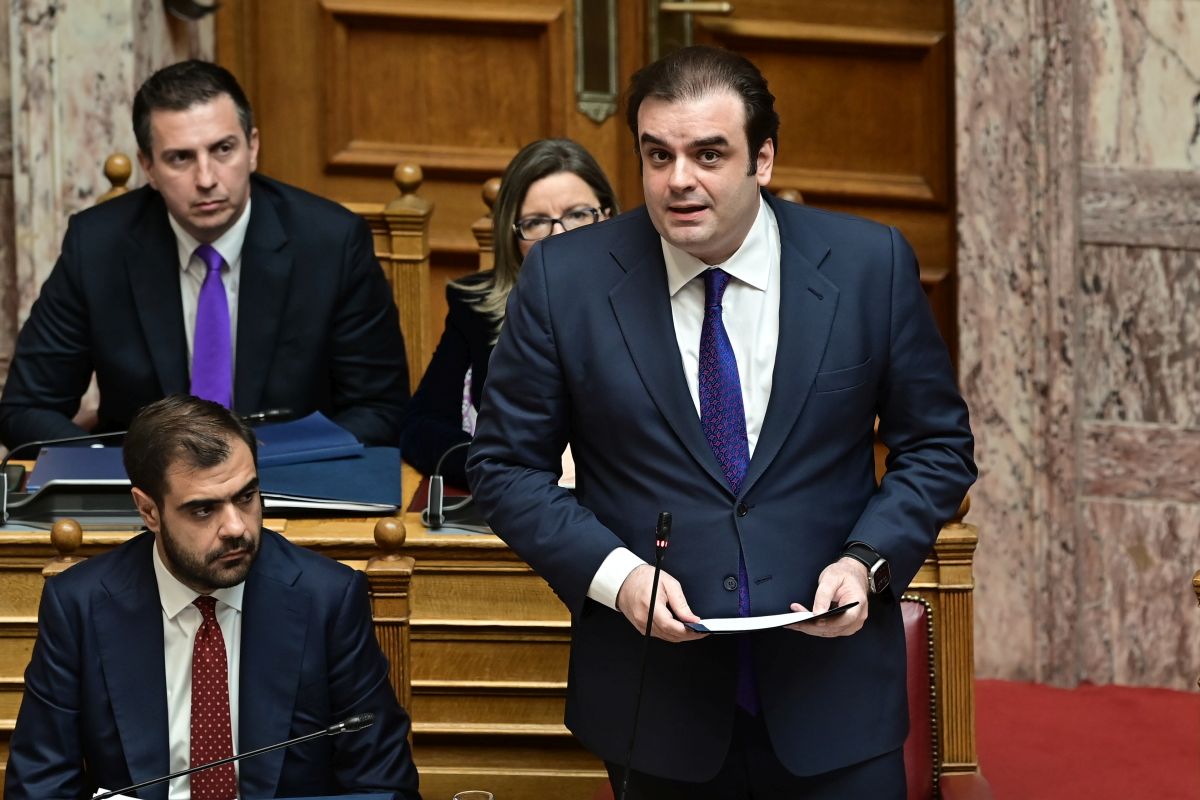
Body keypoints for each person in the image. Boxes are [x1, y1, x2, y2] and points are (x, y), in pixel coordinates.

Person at [467, 45, 976, 798]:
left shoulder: (870, 264)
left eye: (709, 154)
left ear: (762, 159)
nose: (679, 180)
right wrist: (617, 577)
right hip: (655, 701)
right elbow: (505, 468)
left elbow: (936, 445)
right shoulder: (564, 278)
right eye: (658, 155)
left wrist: (868, 561)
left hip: (836, 696)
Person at [5, 394, 421, 799]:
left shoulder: (327, 598)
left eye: (246, 496)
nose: (236, 528)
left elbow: (384, 786)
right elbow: (38, 785)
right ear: (149, 511)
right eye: (204, 510)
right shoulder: (80, 605)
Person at [0, 59, 409, 451]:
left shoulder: (331, 243)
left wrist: (263, 469)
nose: (207, 178)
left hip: (292, 480)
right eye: (180, 158)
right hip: (143, 489)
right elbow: (26, 408)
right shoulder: (97, 246)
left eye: (223, 149)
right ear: (148, 167)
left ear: (252, 148)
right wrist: (114, 466)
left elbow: (380, 410)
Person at [400, 138, 617, 486]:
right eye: (536, 222)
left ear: (608, 216)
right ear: (512, 235)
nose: (558, 235)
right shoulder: (475, 307)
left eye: (578, 214)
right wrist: (503, 472)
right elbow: (420, 428)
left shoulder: (656, 298)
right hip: (515, 504)